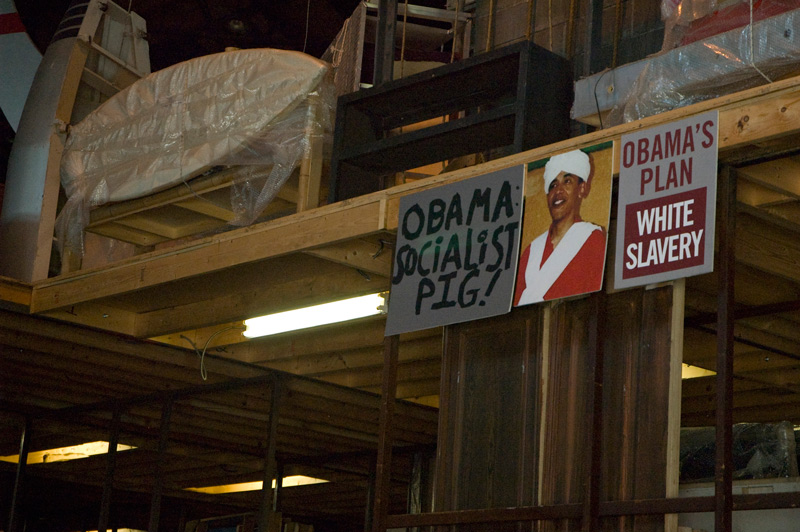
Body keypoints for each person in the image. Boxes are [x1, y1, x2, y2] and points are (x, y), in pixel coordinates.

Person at [514, 149, 606, 305]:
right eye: (553, 185)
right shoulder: (531, 252)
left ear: (581, 189)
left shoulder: (592, 240)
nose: (558, 191)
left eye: (567, 182)